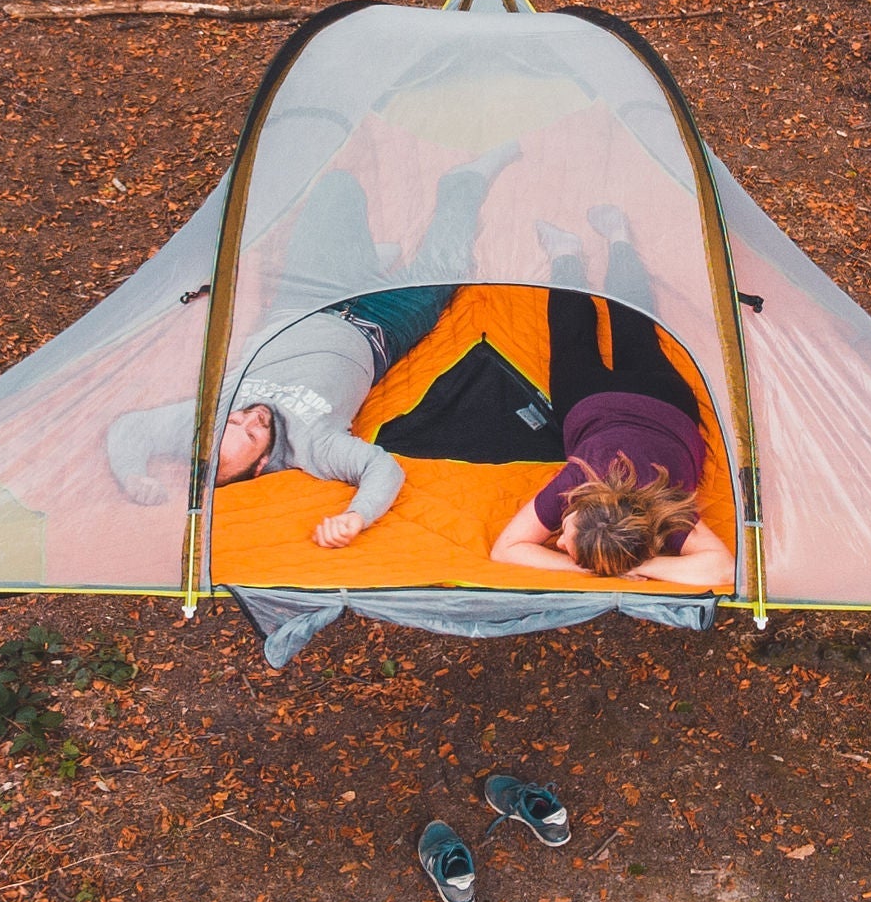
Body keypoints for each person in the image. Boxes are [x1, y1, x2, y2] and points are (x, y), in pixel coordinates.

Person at [105, 145, 515, 545]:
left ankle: (366, 265)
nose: (250, 418)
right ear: (263, 462)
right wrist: (357, 515)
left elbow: (131, 427)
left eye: (235, 422)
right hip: (379, 324)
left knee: (337, 188)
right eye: (252, 435)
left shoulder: (208, 422)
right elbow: (381, 468)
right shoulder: (312, 445)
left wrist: (132, 475)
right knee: (446, 269)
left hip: (304, 301)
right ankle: (465, 183)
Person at [489, 279, 733, 590]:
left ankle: (610, 246)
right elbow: (723, 570)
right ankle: (581, 254)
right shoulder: (582, 480)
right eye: (570, 541)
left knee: (630, 330)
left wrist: (610, 567)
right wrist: (611, 567)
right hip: (615, 402)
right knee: (581, 338)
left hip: (661, 402)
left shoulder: (660, 505)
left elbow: (505, 550)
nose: (560, 542)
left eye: (564, 537)